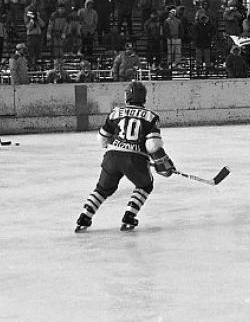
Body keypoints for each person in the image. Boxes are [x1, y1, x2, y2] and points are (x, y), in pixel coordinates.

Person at [74, 81, 177, 232]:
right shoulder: (151, 116)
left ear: (127, 96)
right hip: (135, 160)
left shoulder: (115, 112)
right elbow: (153, 145)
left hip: (112, 157)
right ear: (144, 97)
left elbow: (102, 139)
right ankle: (129, 215)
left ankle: (85, 216)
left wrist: (118, 146)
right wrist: (162, 161)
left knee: (102, 188)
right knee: (145, 185)